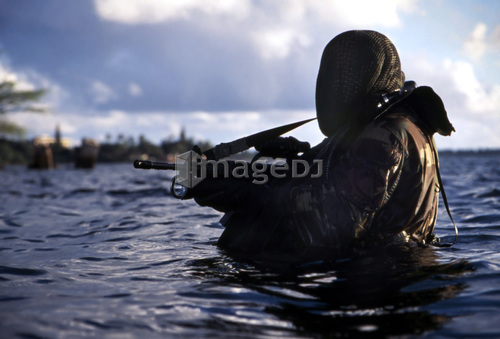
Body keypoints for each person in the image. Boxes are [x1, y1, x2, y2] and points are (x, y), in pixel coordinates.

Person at [191, 30, 455, 263]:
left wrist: (254, 193)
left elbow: (342, 219)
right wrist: (210, 175)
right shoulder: (379, 126)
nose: (340, 84)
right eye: (335, 74)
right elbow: (318, 177)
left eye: (349, 74)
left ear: (373, 74)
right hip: (378, 282)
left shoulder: (386, 133)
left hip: (381, 288)